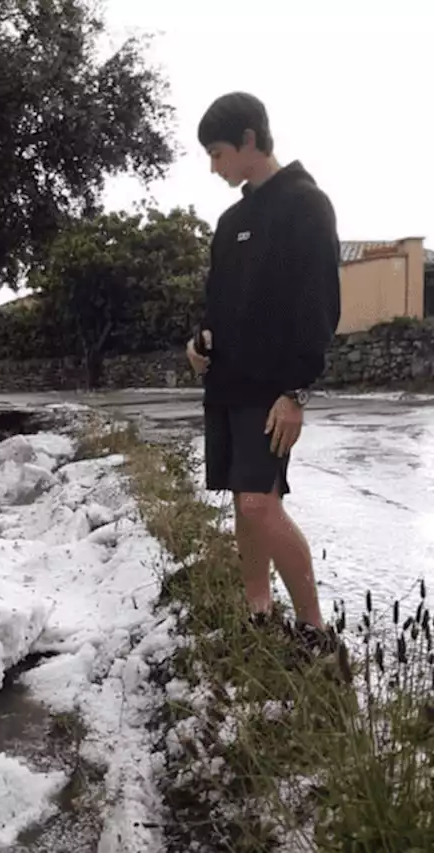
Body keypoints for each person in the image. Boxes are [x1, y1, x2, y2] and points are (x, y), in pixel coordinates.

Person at [185, 92, 341, 649]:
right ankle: (258, 613)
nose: (214, 166)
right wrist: (199, 341)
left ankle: (316, 633)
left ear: (250, 140)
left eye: (218, 152)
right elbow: (219, 302)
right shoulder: (230, 222)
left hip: (271, 388)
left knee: (259, 501)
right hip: (224, 383)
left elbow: (319, 305)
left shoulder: (304, 204)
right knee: (240, 501)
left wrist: (295, 389)